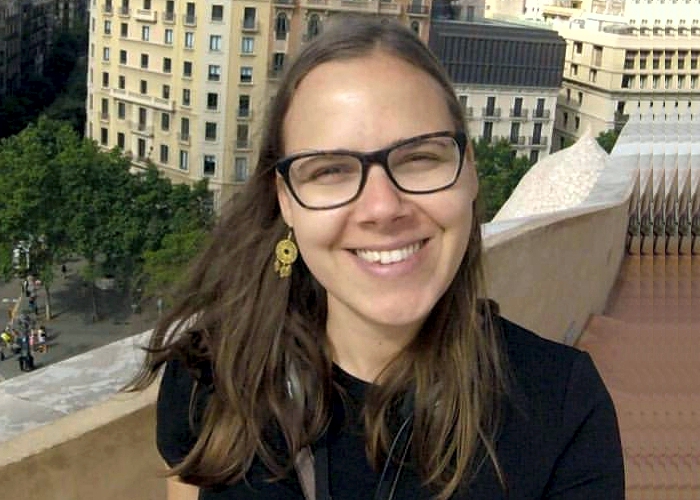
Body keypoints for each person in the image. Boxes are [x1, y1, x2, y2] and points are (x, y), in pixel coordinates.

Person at [128, 17, 624, 500]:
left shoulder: (561, 404)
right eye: (330, 170)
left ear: (468, 171)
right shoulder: (213, 376)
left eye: (419, 158)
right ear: (286, 200)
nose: (383, 208)